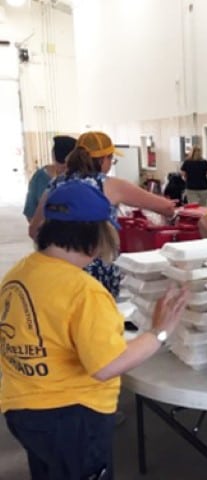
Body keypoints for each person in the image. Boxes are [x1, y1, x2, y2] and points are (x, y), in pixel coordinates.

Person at [1, 180, 189, 480]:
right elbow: (106, 365)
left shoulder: (19, 273)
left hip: (22, 409)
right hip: (70, 416)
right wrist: (159, 331)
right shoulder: (84, 291)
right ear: (95, 234)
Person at [28, 131, 176, 298]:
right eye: (111, 159)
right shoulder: (110, 185)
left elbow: (34, 230)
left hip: (58, 273)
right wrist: (171, 206)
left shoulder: (56, 183)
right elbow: (165, 208)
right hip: (97, 276)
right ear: (103, 159)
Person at [23, 135, 76, 221]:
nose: (63, 169)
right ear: (53, 156)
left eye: (67, 166)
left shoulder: (82, 179)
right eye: (60, 163)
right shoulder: (40, 178)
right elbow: (30, 212)